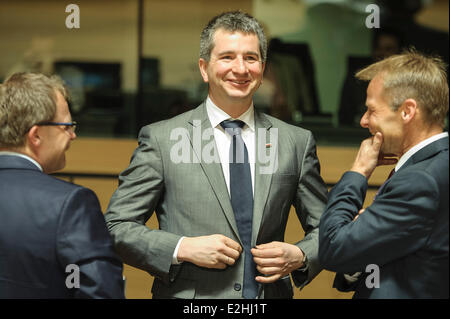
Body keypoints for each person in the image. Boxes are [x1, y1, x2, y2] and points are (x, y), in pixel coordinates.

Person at [105, 11, 327, 299]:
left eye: (250, 58)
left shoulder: (295, 142)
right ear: (204, 68)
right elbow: (116, 227)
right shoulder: (162, 139)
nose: (240, 68)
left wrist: (300, 254)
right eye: (227, 57)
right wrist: (181, 247)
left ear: (262, 68)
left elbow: (328, 228)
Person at [319, 49, 449, 298]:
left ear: (407, 111)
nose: (364, 121)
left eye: (372, 110)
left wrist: (357, 172)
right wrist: (367, 234)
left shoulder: (420, 180)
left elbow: (334, 248)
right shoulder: (435, 166)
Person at [0, 72, 125, 298]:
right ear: (36, 135)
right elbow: (101, 291)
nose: (73, 135)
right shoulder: (70, 204)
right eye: (66, 127)